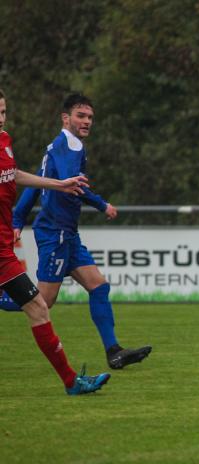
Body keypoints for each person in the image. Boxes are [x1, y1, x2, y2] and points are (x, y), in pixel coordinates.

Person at [8, 93, 151, 370]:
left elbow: (38, 183)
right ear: (66, 118)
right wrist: (102, 205)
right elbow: (71, 184)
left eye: (90, 118)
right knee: (42, 302)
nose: (87, 122)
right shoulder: (69, 146)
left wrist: (17, 219)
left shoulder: (58, 147)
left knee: (98, 286)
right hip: (55, 232)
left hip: (67, 234)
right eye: (81, 116)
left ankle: (114, 351)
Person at [0, 88, 110, 395]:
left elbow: (16, 175)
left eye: (3, 112)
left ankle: (71, 382)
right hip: (40, 235)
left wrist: (58, 184)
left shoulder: (4, 141)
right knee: (40, 303)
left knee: (38, 306)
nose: (1, 119)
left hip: (3, 247)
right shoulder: (65, 146)